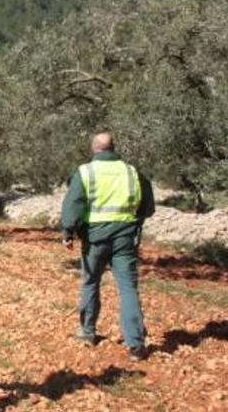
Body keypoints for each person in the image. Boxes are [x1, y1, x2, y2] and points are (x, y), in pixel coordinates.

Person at [60, 132, 155, 361]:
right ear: (113, 148)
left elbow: (73, 204)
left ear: (94, 149)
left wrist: (68, 232)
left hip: (94, 239)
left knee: (91, 282)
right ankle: (135, 344)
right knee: (128, 288)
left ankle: (88, 331)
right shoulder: (131, 171)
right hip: (125, 238)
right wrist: (134, 222)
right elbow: (148, 207)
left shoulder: (86, 172)